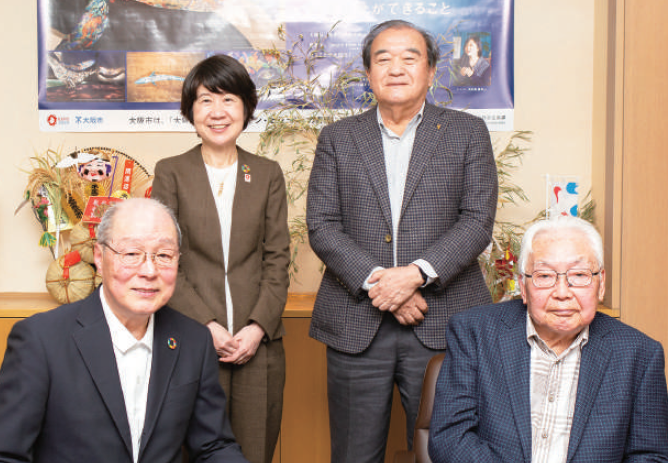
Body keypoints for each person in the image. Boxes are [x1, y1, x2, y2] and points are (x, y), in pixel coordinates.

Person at [306, 19, 498, 463]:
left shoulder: (467, 133)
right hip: (357, 324)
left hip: (444, 320)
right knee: (353, 455)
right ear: (368, 73)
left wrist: (413, 276)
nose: (396, 68)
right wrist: (384, 284)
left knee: (447, 453)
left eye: (410, 58)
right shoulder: (338, 138)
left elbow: (476, 221)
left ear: (431, 71)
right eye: (383, 59)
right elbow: (322, 225)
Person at [0, 198, 249, 463]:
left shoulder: (193, 341)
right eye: (131, 254)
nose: (149, 271)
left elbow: (213, 446)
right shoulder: (40, 340)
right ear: (99, 256)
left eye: (164, 255)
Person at [429, 216, 668, 462]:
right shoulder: (474, 333)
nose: (562, 293)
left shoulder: (640, 355)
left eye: (579, 274)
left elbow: (650, 455)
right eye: (544, 276)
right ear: (523, 286)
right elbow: (449, 438)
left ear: (601, 284)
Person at [151, 54, 290, 463]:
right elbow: (164, 258)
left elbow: (277, 259)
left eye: (228, 99)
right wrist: (206, 324)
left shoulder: (266, 173)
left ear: (246, 107)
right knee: (187, 449)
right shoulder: (171, 172)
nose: (217, 112)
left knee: (254, 450)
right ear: (190, 110)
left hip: (257, 344)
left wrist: (257, 328)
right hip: (188, 338)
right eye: (206, 100)